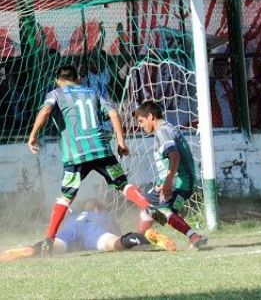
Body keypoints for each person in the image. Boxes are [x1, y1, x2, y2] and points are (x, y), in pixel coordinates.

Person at [26, 65, 166, 256]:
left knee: (66, 197)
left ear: (57, 80)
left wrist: (33, 136)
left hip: (76, 155)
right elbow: (114, 113)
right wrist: (121, 142)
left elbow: (45, 112)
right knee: (122, 184)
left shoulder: (55, 93)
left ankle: (49, 239)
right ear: (78, 79)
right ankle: (146, 206)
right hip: (102, 150)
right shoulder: (92, 92)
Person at [0, 199, 176, 262]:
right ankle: (147, 238)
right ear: (98, 208)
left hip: (71, 230)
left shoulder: (74, 216)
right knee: (115, 243)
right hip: (92, 230)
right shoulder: (101, 214)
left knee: (55, 245)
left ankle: (32, 250)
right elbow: (115, 233)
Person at [134, 101, 208, 249]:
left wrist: (168, 182)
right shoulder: (166, 129)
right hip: (171, 181)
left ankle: (194, 236)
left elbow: (174, 155)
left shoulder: (163, 131)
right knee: (147, 207)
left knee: (163, 211)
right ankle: (140, 240)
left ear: (150, 117)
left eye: (141, 121)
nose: (140, 125)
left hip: (180, 183)